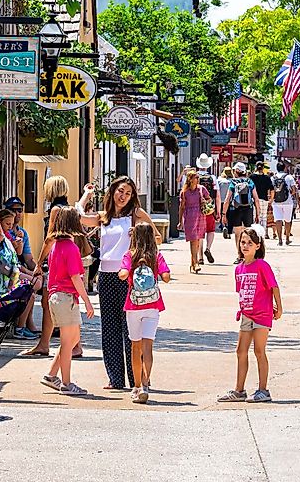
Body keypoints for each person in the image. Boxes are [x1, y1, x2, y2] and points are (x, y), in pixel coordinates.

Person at [76, 176, 157, 391]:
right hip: (106, 275)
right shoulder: (104, 217)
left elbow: (154, 236)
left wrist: (138, 239)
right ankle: (115, 378)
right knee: (109, 328)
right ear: (113, 192)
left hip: (128, 276)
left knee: (131, 328)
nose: (123, 196)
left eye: (128, 193)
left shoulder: (136, 215)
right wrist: (87, 194)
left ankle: (137, 379)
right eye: (121, 191)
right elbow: (80, 216)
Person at [25, 177, 93, 358]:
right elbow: (81, 205)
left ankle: (47, 344)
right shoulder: (69, 208)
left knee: (50, 303)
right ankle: (64, 344)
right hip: (71, 258)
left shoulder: (56, 210)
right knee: (67, 300)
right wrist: (87, 193)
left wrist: (39, 263)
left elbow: (50, 238)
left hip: (58, 260)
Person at [217, 227, 282, 403]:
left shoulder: (262, 265)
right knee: (241, 351)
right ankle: (239, 390)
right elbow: (241, 291)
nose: (245, 246)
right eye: (243, 242)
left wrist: (279, 307)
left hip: (262, 314)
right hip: (246, 314)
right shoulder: (239, 269)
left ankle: (263, 390)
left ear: (258, 246)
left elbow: (273, 286)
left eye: (249, 243)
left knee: (259, 351)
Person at [40, 206, 96, 396]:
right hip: (66, 297)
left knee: (72, 339)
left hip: (58, 296)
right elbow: (75, 277)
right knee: (67, 341)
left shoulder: (56, 246)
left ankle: (51, 375)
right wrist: (87, 302)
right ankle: (66, 383)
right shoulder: (71, 248)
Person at [118, 222, 171, 403]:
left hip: (133, 306)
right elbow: (166, 277)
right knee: (148, 346)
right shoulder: (156, 256)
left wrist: (126, 272)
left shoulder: (129, 255)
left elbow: (123, 273)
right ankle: (146, 382)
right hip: (153, 305)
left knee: (135, 347)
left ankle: (137, 386)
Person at [0, 205, 38, 339]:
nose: (10, 226)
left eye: (11, 223)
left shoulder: (11, 234)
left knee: (32, 289)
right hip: (4, 275)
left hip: (11, 272)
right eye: (7, 223)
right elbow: (6, 259)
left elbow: (19, 253)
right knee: (30, 292)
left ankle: (24, 324)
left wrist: (18, 242)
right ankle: (20, 328)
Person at [222, 163, 261, 263]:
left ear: (236, 171)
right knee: (248, 233)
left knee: (238, 233)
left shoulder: (233, 182)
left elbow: (227, 199)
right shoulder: (250, 182)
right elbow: (256, 199)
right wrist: (257, 214)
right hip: (248, 209)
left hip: (236, 209)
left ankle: (239, 256)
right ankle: (248, 255)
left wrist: (224, 214)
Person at [179, 169, 211, 274]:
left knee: (196, 241)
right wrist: (180, 221)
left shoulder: (201, 189)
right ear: (190, 179)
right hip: (189, 217)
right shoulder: (184, 192)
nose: (198, 179)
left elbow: (209, 199)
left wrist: (205, 202)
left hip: (200, 216)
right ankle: (196, 263)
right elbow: (182, 207)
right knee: (193, 240)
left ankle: (193, 263)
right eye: (196, 177)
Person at [270, 162, 297, 246]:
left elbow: (271, 190)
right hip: (287, 201)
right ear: (284, 168)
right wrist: (291, 194)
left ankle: (280, 240)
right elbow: (293, 190)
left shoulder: (272, 178)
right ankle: (287, 239)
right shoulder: (289, 177)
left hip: (276, 202)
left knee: (278, 220)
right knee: (288, 220)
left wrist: (271, 199)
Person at [196, 159, 218, 265]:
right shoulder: (212, 178)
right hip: (209, 208)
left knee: (200, 233)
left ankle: (200, 256)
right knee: (211, 230)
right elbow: (217, 195)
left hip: (198, 209)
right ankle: (208, 248)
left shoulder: (195, 177)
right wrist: (218, 211)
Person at [249, 162, 274, 240]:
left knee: (254, 216)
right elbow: (272, 189)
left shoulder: (252, 177)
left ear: (256, 167)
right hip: (264, 199)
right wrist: (271, 199)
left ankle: (254, 234)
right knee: (263, 217)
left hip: (254, 199)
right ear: (263, 168)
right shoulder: (266, 178)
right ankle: (262, 235)